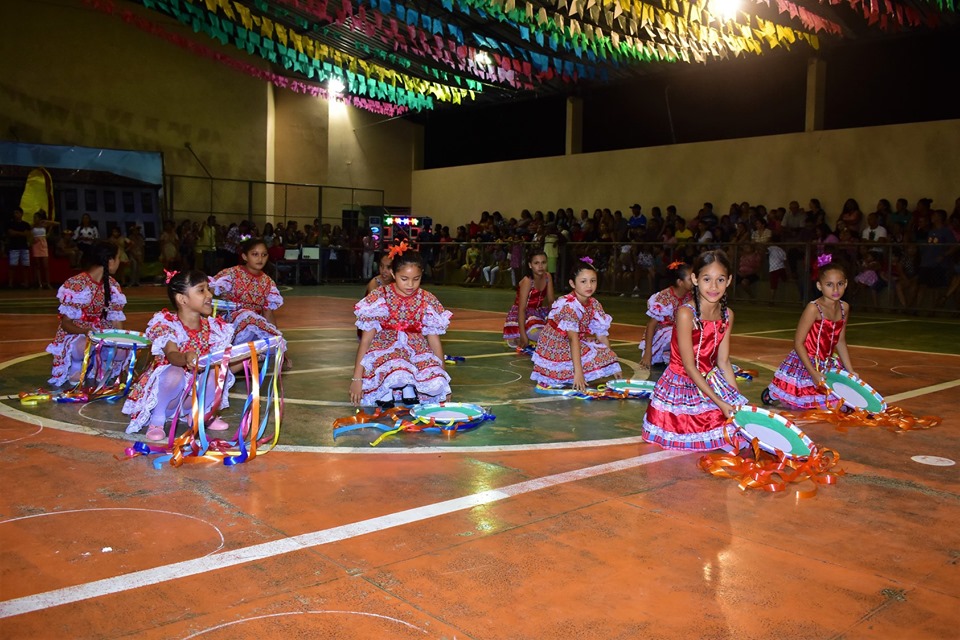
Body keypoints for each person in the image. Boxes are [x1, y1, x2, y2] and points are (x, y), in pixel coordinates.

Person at [641, 250, 746, 451]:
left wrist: (735, 397)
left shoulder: (727, 315)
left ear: (729, 280)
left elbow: (723, 361)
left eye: (720, 280)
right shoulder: (685, 314)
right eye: (707, 279)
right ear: (695, 279)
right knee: (714, 427)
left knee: (738, 424)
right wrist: (720, 402)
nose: (714, 287)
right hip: (683, 383)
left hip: (711, 379)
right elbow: (689, 366)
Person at [122, 270, 236, 441]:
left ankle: (200, 414)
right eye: (201, 290)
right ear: (182, 299)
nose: (209, 295)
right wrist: (185, 358)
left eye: (208, 289)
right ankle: (158, 419)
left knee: (216, 372)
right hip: (170, 400)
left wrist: (249, 357)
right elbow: (172, 355)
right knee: (175, 372)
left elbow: (224, 361)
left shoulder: (214, 327)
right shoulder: (168, 323)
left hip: (190, 399)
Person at [350, 245, 452, 407]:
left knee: (435, 381)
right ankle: (388, 388)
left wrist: (444, 382)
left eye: (416, 279)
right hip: (386, 351)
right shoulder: (380, 297)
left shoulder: (427, 300)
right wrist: (357, 378)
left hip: (416, 352)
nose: (410, 285)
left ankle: (408, 387)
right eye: (404, 279)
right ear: (393, 274)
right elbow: (366, 341)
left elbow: (434, 342)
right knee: (397, 365)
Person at [763, 259, 856, 409]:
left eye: (840, 284)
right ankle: (775, 393)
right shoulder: (814, 308)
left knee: (841, 402)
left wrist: (850, 370)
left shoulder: (844, 307)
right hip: (806, 361)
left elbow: (840, 340)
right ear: (819, 286)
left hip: (827, 362)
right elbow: (798, 343)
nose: (835, 289)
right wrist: (812, 372)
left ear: (846, 284)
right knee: (810, 402)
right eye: (829, 284)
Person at [530, 258, 621, 390]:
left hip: (574, 342)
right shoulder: (569, 305)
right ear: (572, 284)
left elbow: (601, 336)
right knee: (575, 363)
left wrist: (612, 364)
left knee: (604, 353)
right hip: (556, 344)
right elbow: (573, 340)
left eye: (593, 281)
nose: (589, 286)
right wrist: (579, 374)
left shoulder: (594, 304)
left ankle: (568, 373)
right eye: (583, 281)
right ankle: (564, 375)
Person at [45, 242, 127, 386]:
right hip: (78, 334)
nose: (120, 262)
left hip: (100, 334)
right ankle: (77, 367)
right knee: (85, 347)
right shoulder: (77, 284)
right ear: (110, 260)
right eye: (118, 258)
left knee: (121, 351)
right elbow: (66, 324)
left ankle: (100, 368)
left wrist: (120, 340)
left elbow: (115, 320)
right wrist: (85, 331)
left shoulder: (113, 285)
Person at [209, 237, 286, 360]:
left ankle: (247, 358)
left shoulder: (268, 282)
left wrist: (277, 340)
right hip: (228, 325)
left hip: (253, 325)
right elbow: (207, 296)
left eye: (264, 255)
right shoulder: (231, 274)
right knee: (247, 316)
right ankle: (239, 357)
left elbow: (268, 312)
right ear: (245, 256)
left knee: (272, 341)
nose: (260, 259)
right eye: (255, 254)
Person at [639, 261, 693, 371]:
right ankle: (663, 352)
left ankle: (677, 356)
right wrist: (648, 353)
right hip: (663, 334)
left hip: (677, 333)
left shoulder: (690, 296)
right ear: (680, 282)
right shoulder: (664, 298)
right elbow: (651, 326)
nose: (695, 281)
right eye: (690, 279)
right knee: (677, 332)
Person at [503, 250, 555, 349]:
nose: (540, 266)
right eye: (536, 263)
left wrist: (554, 322)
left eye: (543, 262)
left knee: (556, 334)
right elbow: (521, 309)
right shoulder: (527, 281)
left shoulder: (548, 277)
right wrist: (523, 335)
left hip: (537, 313)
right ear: (530, 265)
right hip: (523, 317)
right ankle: (522, 335)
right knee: (545, 337)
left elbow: (551, 301)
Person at [6, 207, 32, 288]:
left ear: (21, 214)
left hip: (24, 247)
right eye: (14, 213)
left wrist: (16, 233)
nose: (15, 215)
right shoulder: (10, 224)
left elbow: (27, 234)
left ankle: (26, 283)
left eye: (17, 213)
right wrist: (22, 233)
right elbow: (11, 233)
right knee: (12, 266)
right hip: (14, 247)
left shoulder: (26, 224)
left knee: (25, 266)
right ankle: (10, 284)